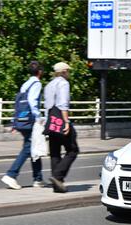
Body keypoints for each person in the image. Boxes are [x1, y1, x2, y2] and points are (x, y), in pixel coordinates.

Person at [1, 61, 46, 190]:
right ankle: (11, 175)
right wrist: (38, 117)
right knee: (29, 148)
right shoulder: (36, 83)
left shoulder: (25, 84)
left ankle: (38, 179)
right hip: (30, 121)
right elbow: (32, 101)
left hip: (21, 119)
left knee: (33, 149)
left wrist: (15, 122)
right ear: (40, 72)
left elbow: (19, 104)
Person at [44, 62, 79, 193]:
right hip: (60, 118)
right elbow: (63, 103)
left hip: (50, 119)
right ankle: (58, 176)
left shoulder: (49, 85)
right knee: (73, 150)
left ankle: (57, 185)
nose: (68, 74)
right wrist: (66, 122)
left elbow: (47, 105)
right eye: (68, 71)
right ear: (64, 72)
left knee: (55, 152)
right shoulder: (63, 83)